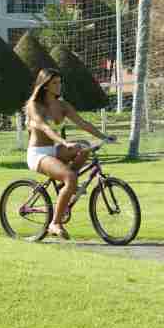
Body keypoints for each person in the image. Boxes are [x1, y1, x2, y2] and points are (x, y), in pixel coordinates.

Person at [25, 68, 116, 239]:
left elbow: (83, 123)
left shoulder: (63, 105)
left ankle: (64, 187)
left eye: (60, 82)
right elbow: (45, 128)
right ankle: (54, 223)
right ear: (45, 85)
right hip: (38, 154)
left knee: (85, 146)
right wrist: (64, 142)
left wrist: (104, 137)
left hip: (54, 150)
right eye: (55, 83)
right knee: (71, 178)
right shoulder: (34, 106)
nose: (59, 86)